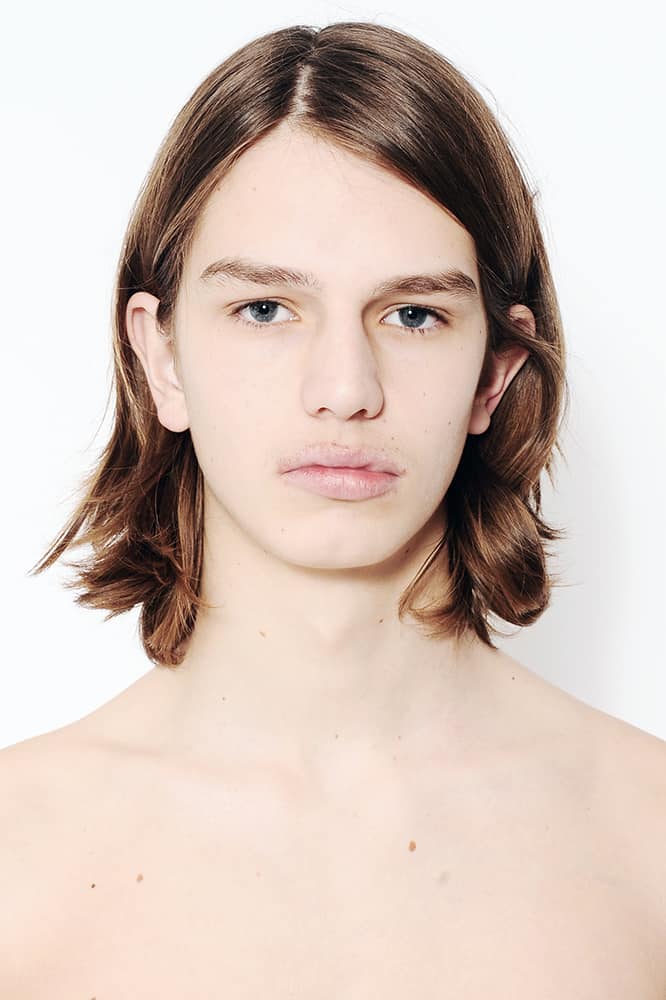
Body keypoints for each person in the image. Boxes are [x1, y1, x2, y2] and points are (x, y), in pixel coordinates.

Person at [2, 20, 665, 998]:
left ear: (494, 372)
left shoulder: (649, 840)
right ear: (161, 356)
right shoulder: (16, 861)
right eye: (266, 309)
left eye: (413, 314)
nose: (345, 389)